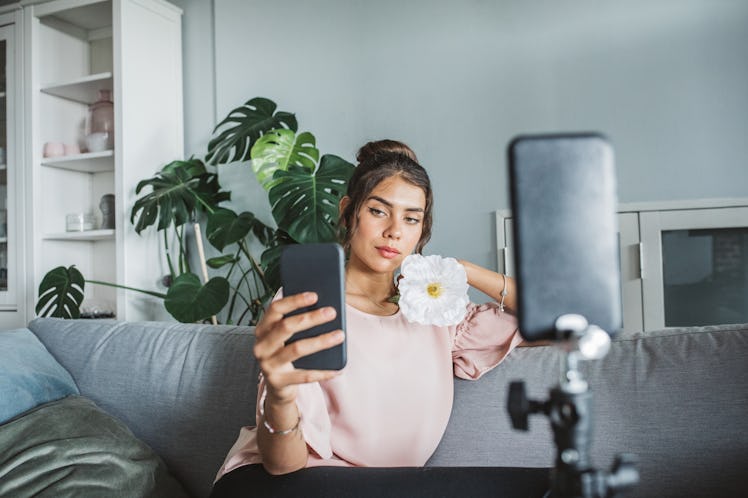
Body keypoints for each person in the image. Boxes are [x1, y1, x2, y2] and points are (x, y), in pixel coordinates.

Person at [211, 139, 524, 492]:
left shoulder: (438, 312)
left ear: (422, 230)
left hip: (386, 487)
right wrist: (281, 396)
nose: (394, 230)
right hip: (288, 482)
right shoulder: (307, 303)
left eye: (411, 218)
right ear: (348, 213)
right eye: (378, 211)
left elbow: (553, 316)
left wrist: (462, 270)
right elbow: (284, 465)